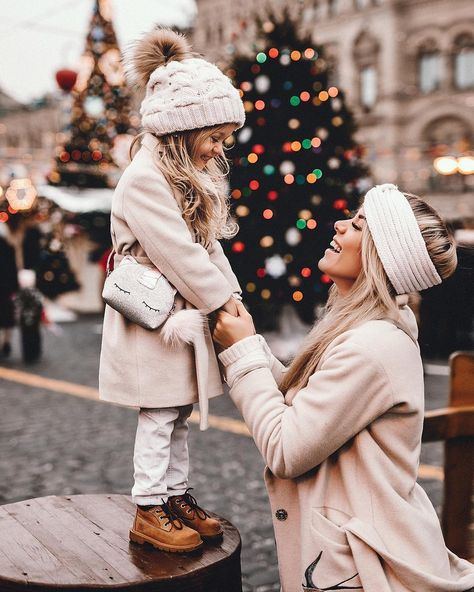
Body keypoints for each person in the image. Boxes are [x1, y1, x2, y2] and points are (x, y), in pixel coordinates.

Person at [213, 184, 474, 591]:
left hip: (362, 569)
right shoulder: (367, 331)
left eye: (357, 224)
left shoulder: (372, 345)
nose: (338, 225)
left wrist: (243, 352)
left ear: (379, 255)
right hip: (359, 550)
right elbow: (310, 402)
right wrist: (249, 343)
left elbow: (286, 449)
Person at [98, 28, 245, 553]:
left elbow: (206, 246)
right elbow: (179, 253)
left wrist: (232, 295)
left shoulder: (183, 177)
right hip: (154, 314)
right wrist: (222, 301)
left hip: (179, 307)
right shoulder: (144, 179)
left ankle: (176, 493)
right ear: (184, 131)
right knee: (159, 413)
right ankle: (147, 506)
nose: (219, 149)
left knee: (177, 409)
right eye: (215, 137)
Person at [15, 269, 44, 364]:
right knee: (35, 335)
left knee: (25, 337)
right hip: (34, 319)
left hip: (24, 320)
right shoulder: (35, 292)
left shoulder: (20, 293)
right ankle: (35, 352)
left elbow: (17, 305)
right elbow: (40, 304)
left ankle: (28, 355)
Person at [0, 223, 18, 358]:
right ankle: (6, 342)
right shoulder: (9, 248)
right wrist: (15, 288)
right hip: (6, 290)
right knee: (7, 319)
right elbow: (13, 270)